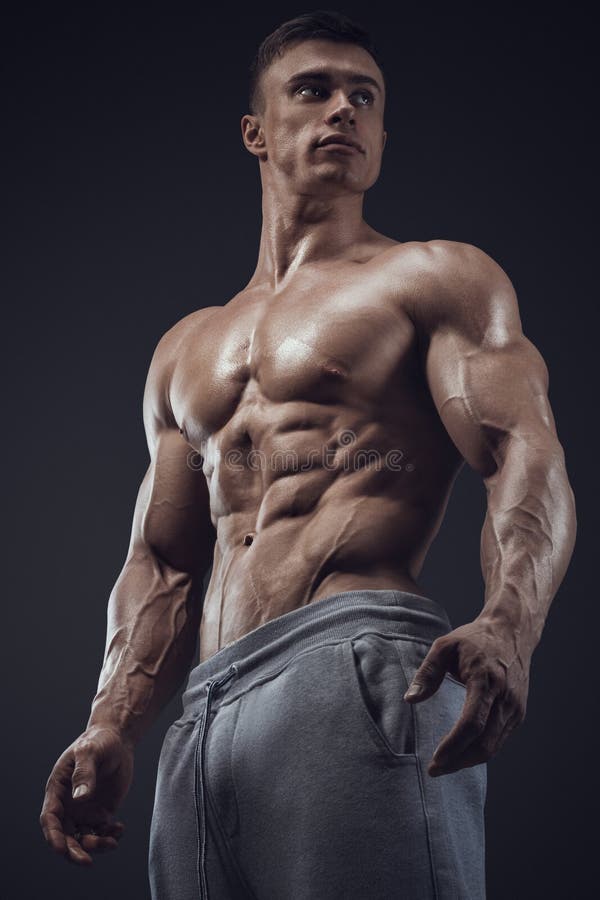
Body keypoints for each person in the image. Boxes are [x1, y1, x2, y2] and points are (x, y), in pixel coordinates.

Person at [40, 10, 577, 899]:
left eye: (363, 97)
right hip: (205, 716)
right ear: (256, 132)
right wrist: (112, 724)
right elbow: (165, 560)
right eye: (314, 90)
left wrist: (509, 628)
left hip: (353, 664)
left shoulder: (432, 278)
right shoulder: (187, 347)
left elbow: (525, 454)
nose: (343, 111)